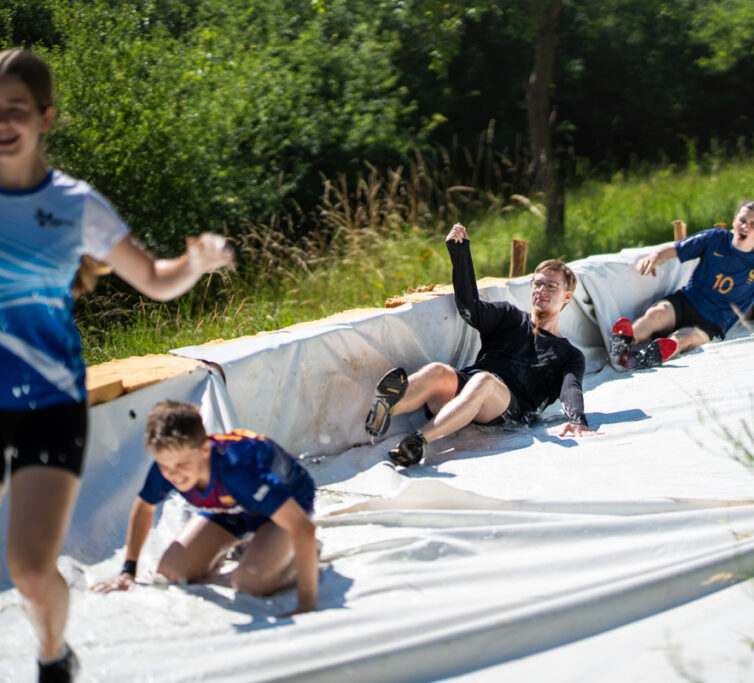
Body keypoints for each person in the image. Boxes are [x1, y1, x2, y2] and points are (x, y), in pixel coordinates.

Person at [0, 49, 234, 682]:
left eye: (15, 110)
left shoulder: (75, 206)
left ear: (45, 117)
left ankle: (53, 655)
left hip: (48, 405)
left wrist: (196, 263)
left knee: (27, 568)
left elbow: (155, 279)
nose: (1, 122)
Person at [365, 222, 598, 466]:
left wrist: (577, 420)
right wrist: (460, 252)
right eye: (538, 284)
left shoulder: (569, 355)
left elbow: (571, 389)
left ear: (567, 296)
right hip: (467, 394)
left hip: (509, 411)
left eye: (551, 286)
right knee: (438, 371)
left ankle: (420, 440)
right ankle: (386, 410)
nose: (542, 290)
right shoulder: (509, 316)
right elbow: (469, 309)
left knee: (484, 381)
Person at [91, 401, 318, 616]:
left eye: (182, 465)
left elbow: (302, 527)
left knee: (249, 582)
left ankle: (303, 553)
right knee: (173, 572)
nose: (175, 475)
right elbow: (144, 506)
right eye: (165, 466)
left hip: (282, 505)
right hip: (231, 508)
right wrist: (128, 571)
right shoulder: (169, 464)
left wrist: (307, 601)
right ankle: (250, 546)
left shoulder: (237, 469)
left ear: (205, 449)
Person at [610, 199, 754, 368]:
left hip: (713, 322)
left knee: (685, 338)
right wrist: (654, 257)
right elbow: (675, 249)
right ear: (734, 221)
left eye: (752, 224)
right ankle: (623, 343)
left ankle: (652, 356)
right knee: (657, 313)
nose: (745, 227)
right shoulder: (714, 239)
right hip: (687, 301)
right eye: (742, 220)